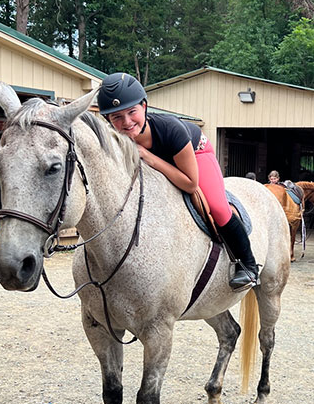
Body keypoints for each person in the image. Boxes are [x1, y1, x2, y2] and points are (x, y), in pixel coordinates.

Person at [97, 72, 258, 290]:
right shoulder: (114, 139)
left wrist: (148, 156)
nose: (126, 122)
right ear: (108, 119)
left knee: (218, 207)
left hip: (196, 152)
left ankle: (248, 266)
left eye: (131, 112)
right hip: (159, 158)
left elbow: (190, 183)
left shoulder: (171, 129)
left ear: (144, 107)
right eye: (116, 117)